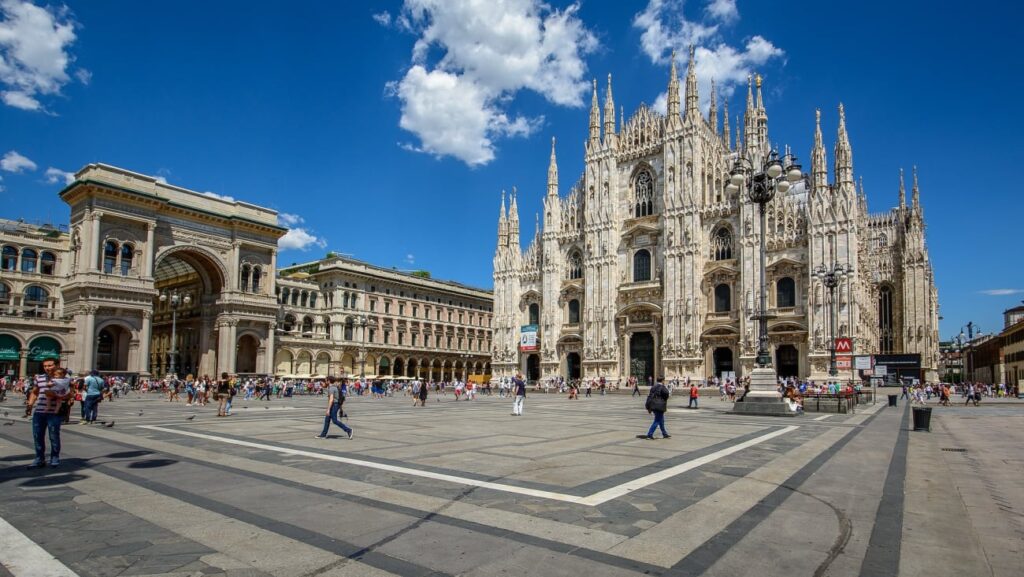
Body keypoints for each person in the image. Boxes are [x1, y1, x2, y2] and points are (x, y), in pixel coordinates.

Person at [27, 358, 70, 468]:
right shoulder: (39, 378)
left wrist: (56, 395)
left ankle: (54, 458)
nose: (47, 368)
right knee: (37, 436)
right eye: (45, 366)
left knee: (54, 435)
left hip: (55, 413)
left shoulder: (65, 379)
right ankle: (39, 459)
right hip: (39, 412)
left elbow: (71, 394)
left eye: (50, 365)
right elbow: (35, 392)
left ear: (56, 365)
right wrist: (30, 405)